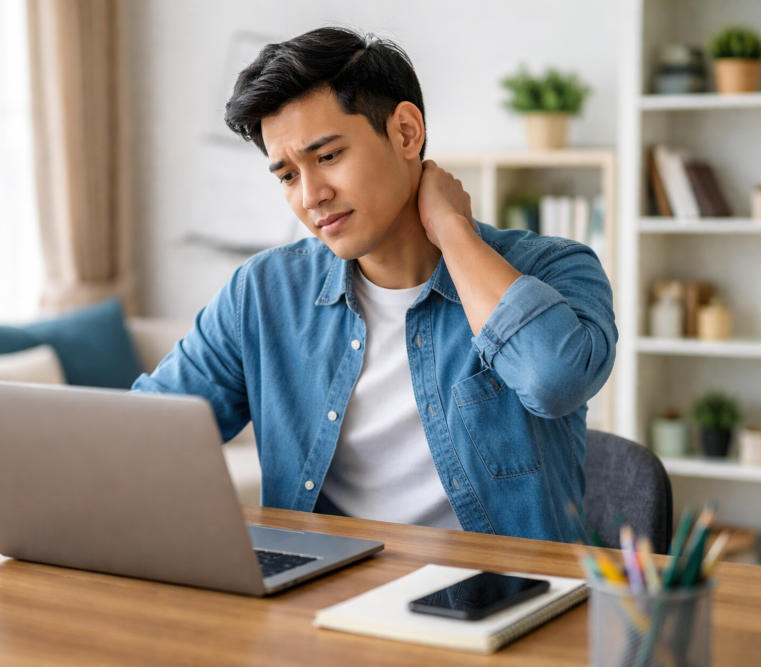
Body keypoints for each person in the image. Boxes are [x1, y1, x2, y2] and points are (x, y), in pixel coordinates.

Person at [132, 26, 616, 543]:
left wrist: (452, 231)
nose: (311, 196)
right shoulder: (263, 293)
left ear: (406, 133)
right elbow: (145, 435)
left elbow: (553, 379)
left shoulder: (555, 269)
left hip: (502, 599)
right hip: (323, 598)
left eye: (328, 156)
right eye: (287, 176)